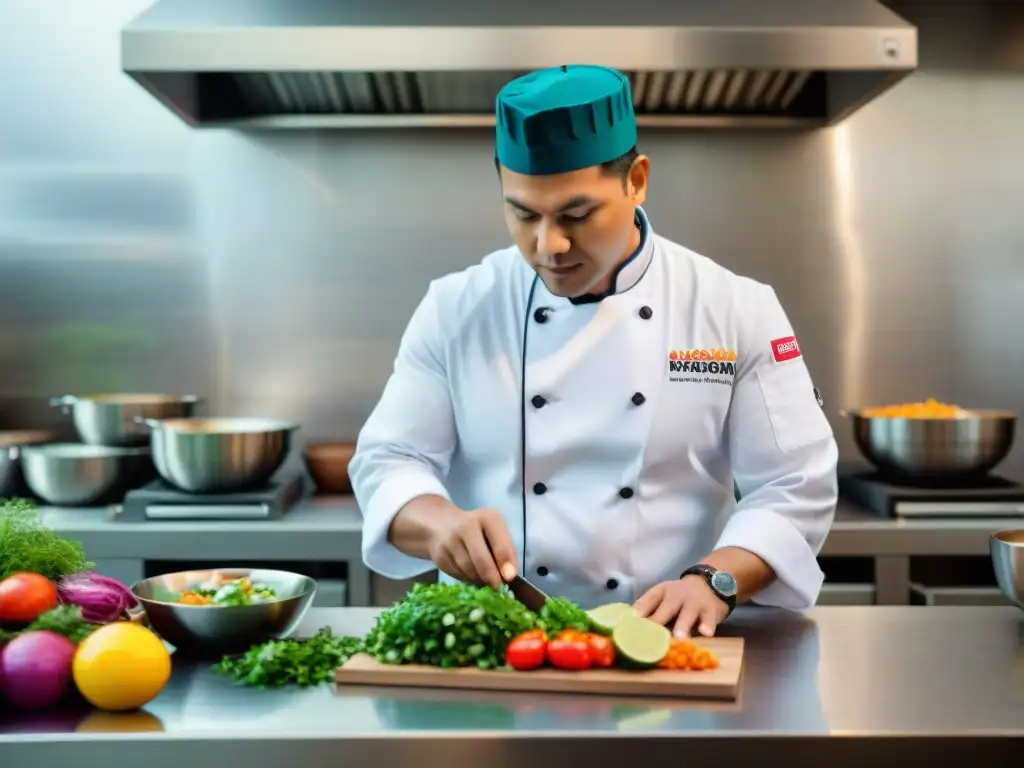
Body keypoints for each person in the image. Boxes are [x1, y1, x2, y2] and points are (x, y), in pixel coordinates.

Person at [349, 64, 838, 639]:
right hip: (496, 648)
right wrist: (438, 526)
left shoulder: (733, 308)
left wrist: (714, 581)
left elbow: (795, 484)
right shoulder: (457, 307)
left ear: (637, 180)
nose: (548, 245)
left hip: (671, 644)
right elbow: (388, 461)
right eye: (523, 213)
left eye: (577, 215)